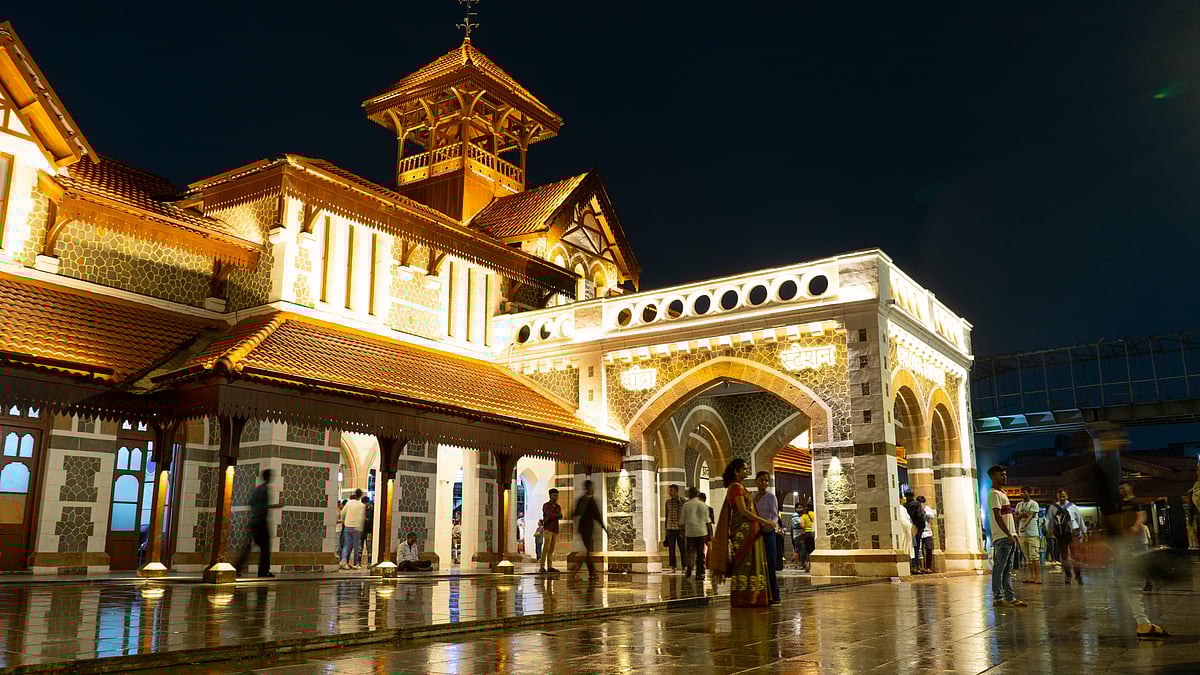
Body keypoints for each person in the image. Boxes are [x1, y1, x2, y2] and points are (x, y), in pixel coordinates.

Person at [707, 458, 775, 607]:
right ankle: (745, 597)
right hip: (743, 532)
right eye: (744, 469)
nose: (746, 471)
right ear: (736, 472)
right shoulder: (735, 488)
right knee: (745, 562)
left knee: (752, 563)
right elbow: (743, 511)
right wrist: (764, 521)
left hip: (751, 530)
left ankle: (753, 596)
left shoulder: (740, 487)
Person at [987, 466, 1028, 608]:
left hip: (1010, 536)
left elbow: (1007, 517)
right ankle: (998, 598)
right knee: (999, 568)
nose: (1004, 477)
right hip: (1003, 537)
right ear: (993, 476)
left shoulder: (1002, 493)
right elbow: (997, 516)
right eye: (1001, 475)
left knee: (1007, 570)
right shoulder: (994, 494)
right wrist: (1008, 534)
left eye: (1005, 475)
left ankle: (1009, 597)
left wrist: (1014, 533)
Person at [236, 469, 282, 578]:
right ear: (268, 477)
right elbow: (263, 507)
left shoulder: (257, 490)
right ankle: (263, 571)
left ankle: (237, 568)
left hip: (253, 521)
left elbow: (251, 503)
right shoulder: (265, 489)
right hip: (261, 522)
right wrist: (274, 506)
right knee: (265, 548)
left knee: (247, 548)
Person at [753, 471, 782, 604]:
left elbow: (775, 515)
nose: (764, 483)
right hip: (757, 533)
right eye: (761, 480)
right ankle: (761, 596)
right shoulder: (753, 498)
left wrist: (771, 525)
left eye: (766, 481)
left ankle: (775, 597)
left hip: (768, 532)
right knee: (758, 564)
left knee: (770, 564)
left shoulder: (771, 497)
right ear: (756, 481)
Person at [1045, 490, 1085, 585]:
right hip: (1061, 534)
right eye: (1060, 497)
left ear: (1067, 496)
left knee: (1076, 556)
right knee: (1064, 556)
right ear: (1057, 497)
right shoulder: (1053, 508)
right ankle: (1068, 575)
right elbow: (1049, 520)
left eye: (1063, 496)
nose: (1062, 498)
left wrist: (1084, 531)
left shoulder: (1073, 506)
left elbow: (1079, 519)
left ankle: (1078, 575)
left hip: (1073, 533)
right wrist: (1049, 531)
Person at [572, 480, 607, 579]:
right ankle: (586, 570)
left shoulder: (584, 499)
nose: (593, 489)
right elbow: (597, 515)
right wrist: (605, 528)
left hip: (586, 528)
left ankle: (590, 572)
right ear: (588, 488)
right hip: (586, 529)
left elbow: (576, 513)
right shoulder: (588, 500)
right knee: (588, 551)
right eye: (591, 487)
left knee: (588, 551)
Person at [680, 487, 709, 579]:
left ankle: (690, 566)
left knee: (690, 552)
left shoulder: (686, 505)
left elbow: (682, 521)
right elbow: (707, 521)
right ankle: (699, 573)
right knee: (700, 553)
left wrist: (681, 530)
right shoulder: (703, 505)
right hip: (701, 532)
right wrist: (709, 534)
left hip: (690, 533)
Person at [1014, 487, 1042, 584]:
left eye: (1024, 492)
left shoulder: (1033, 504)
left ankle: (1037, 577)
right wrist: (1022, 515)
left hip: (1032, 533)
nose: (1022, 494)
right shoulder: (1018, 505)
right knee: (1028, 557)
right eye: (1021, 492)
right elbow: (1016, 518)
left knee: (1034, 555)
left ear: (1029, 493)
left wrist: (1024, 525)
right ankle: (1032, 576)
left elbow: (1030, 516)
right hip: (1022, 535)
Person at [340, 488, 365, 570]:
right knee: (356, 546)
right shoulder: (362, 505)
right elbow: (362, 518)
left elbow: (342, 512)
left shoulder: (349, 503)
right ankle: (355, 563)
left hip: (348, 526)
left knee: (347, 545)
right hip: (357, 528)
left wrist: (343, 520)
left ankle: (343, 561)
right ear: (361, 495)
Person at [903, 490, 928, 574]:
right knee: (916, 546)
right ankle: (916, 566)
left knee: (911, 546)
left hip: (909, 527)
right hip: (917, 527)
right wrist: (922, 526)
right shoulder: (916, 504)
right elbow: (919, 515)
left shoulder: (904, 505)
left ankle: (913, 565)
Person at [664, 484, 686, 573]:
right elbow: (666, 515)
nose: (670, 492)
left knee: (682, 548)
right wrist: (665, 529)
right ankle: (673, 567)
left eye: (671, 490)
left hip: (680, 528)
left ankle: (684, 566)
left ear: (677, 491)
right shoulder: (668, 502)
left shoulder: (682, 501)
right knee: (671, 549)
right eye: (669, 490)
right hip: (670, 528)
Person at [539, 490, 562, 573]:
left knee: (551, 548)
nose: (556, 497)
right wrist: (555, 515)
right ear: (550, 496)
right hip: (548, 528)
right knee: (546, 547)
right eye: (554, 495)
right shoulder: (546, 505)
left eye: (557, 495)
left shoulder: (558, 506)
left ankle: (550, 566)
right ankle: (542, 566)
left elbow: (560, 515)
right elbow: (550, 515)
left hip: (555, 529)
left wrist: (554, 515)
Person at [919, 495, 936, 573]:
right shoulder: (917, 509)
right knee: (920, 550)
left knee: (928, 549)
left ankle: (928, 567)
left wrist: (924, 511)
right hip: (919, 532)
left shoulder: (927, 508)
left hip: (927, 532)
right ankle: (921, 567)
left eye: (922, 503)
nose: (921, 504)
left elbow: (932, 516)